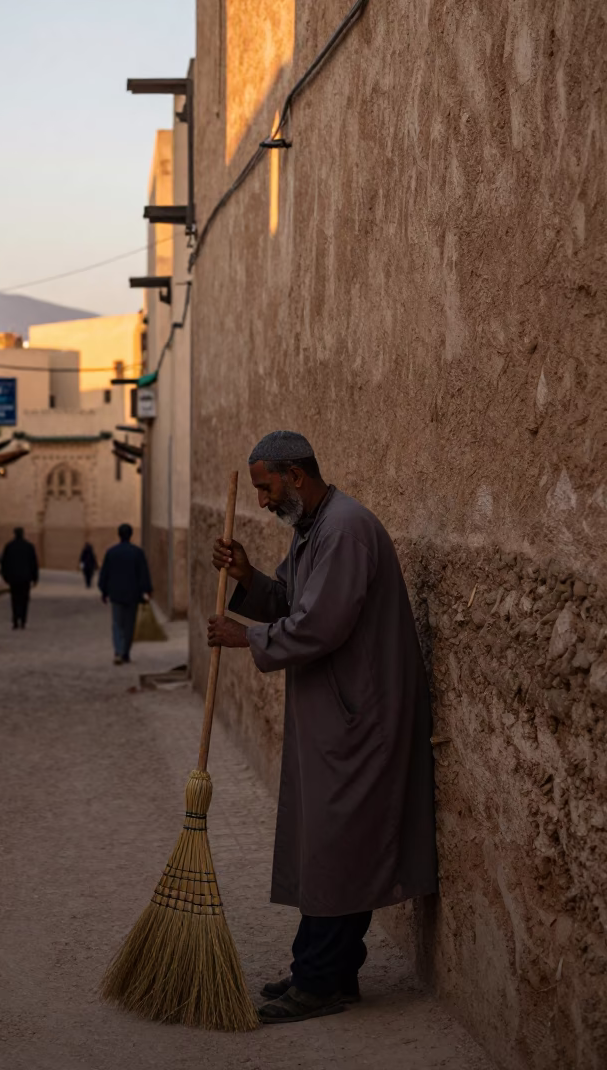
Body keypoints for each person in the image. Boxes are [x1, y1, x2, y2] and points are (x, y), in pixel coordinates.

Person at [207, 430, 437, 1025]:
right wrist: (248, 577)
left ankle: (322, 979)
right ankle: (322, 972)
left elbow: (320, 625)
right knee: (328, 845)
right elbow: (288, 599)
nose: (259, 500)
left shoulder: (345, 529)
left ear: (295, 475)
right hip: (336, 714)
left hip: (362, 717)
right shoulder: (314, 529)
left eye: (265, 487)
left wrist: (246, 636)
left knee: (341, 846)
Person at [98, 524, 152, 665]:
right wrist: (146, 591)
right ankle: (125, 652)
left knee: (117, 624)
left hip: (116, 594)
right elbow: (143, 574)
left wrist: (104, 591)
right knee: (129, 625)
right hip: (132, 595)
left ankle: (118, 651)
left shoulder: (111, 552)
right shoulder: (137, 552)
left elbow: (105, 574)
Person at [0, 527, 39, 630]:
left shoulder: (9, 547)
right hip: (25, 579)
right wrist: (35, 578)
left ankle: (15, 620)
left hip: (14, 578)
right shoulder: (29, 547)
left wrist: (5, 576)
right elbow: (34, 563)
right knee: (24, 600)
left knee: (15, 599)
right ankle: (23, 620)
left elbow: (4, 563)